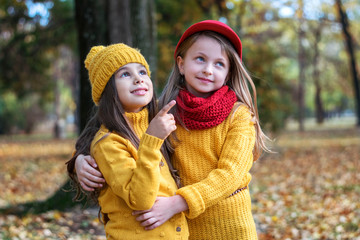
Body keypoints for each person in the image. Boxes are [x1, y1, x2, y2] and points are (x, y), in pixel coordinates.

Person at [74, 20, 271, 239]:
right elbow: (112, 131)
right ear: (181, 64)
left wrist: (177, 203)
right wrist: (80, 161)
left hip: (229, 228)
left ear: (228, 72)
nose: (207, 70)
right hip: (179, 230)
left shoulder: (239, 116)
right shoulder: (164, 111)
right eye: (200, 59)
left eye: (219, 64)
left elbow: (231, 174)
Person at [66, 43, 189, 240]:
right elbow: (140, 199)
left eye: (142, 71)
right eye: (125, 74)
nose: (138, 78)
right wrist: (153, 140)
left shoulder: (159, 118)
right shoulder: (109, 141)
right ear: (108, 90)